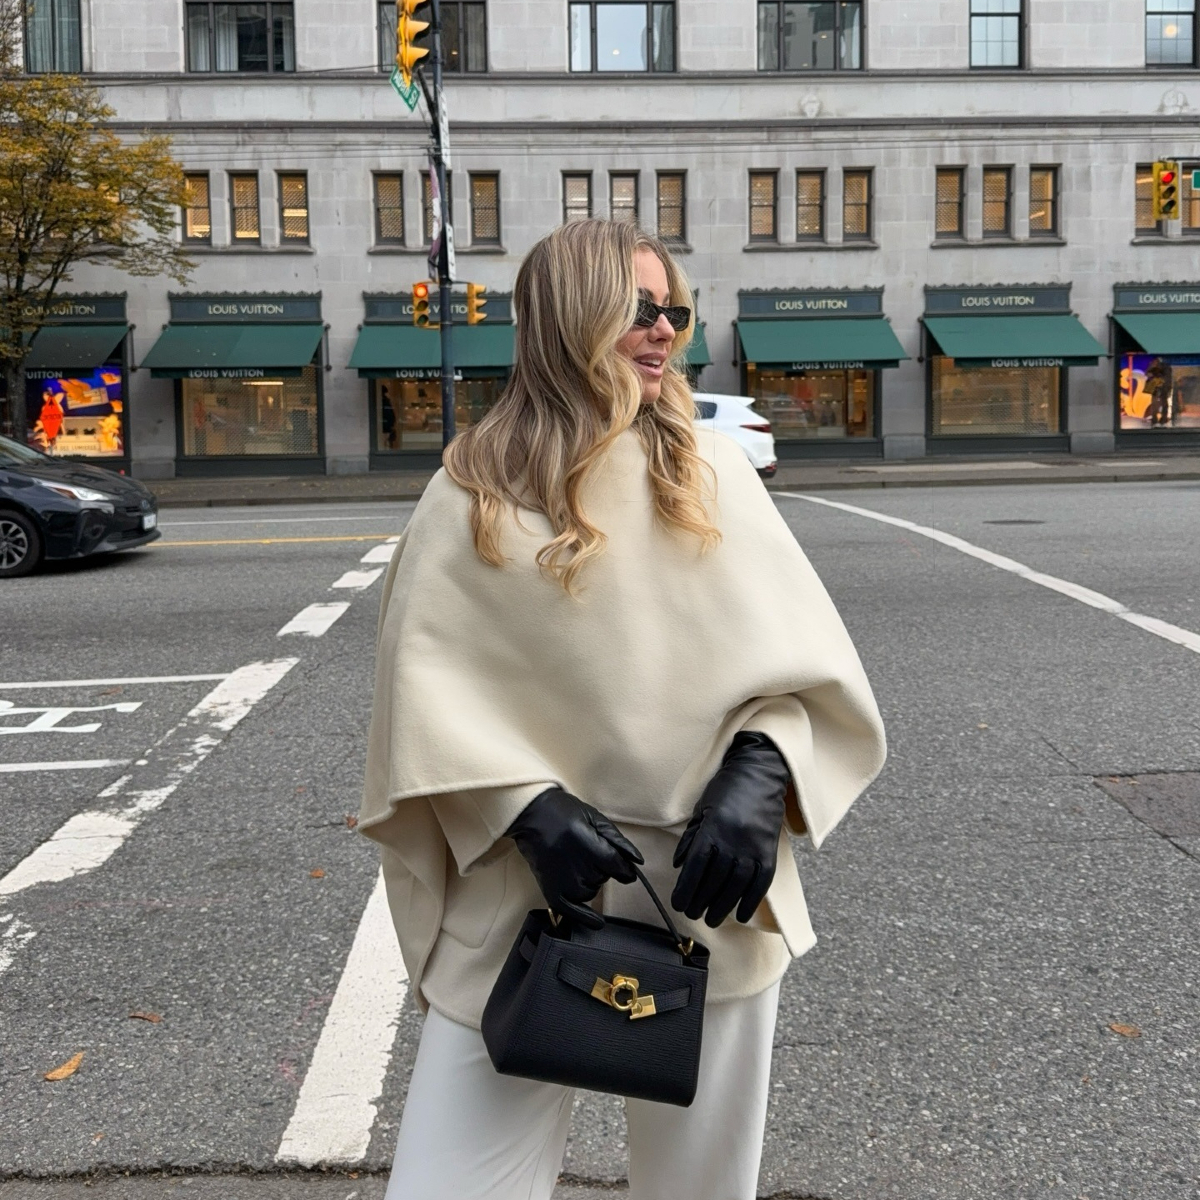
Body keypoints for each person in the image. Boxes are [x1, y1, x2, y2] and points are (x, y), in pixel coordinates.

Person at [359, 219, 887, 1200]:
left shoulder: (712, 471)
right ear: (570, 314)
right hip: (524, 897)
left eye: (673, 310)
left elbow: (803, 670)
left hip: (708, 892)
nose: (664, 330)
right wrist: (518, 807)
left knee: (701, 1189)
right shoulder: (472, 490)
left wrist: (761, 771)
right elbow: (424, 690)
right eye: (639, 308)